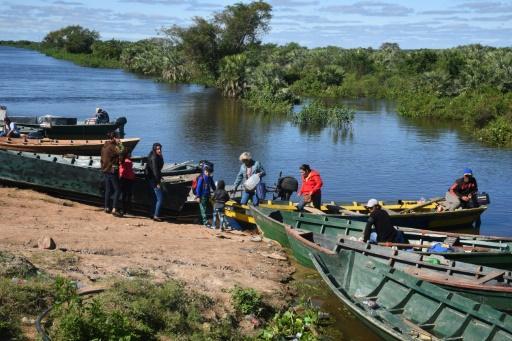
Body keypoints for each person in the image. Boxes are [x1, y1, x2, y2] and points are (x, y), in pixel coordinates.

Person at [100, 132, 122, 217]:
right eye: (118, 138)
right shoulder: (113, 147)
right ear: (114, 138)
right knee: (118, 190)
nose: (119, 139)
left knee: (108, 189)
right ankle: (114, 209)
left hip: (105, 170)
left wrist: (103, 168)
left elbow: (102, 159)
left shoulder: (104, 147)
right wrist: (120, 144)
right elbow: (122, 151)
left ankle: (106, 207)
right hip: (112, 170)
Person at [146, 143, 164, 221]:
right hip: (154, 179)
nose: (159, 150)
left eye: (160, 149)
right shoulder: (154, 158)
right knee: (160, 198)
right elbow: (155, 171)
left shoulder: (154, 155)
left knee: (154, 197)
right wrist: (157, 183)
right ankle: (156, 215)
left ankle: (152, 214)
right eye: (157, 149)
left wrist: (161, 156)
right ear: (154, 149)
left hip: (151, 179)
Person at [119, 151, 135, 216]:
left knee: (124, 195)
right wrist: (133, 176)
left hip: (123, 179)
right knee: (128, 195)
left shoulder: (121, 161)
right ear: (127, 154)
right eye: (130, 153)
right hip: (128, 180)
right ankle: (128, 210)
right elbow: (130, 172)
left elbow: (121, 171)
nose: (131, 154)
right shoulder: (128, 162)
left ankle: (123, 209)